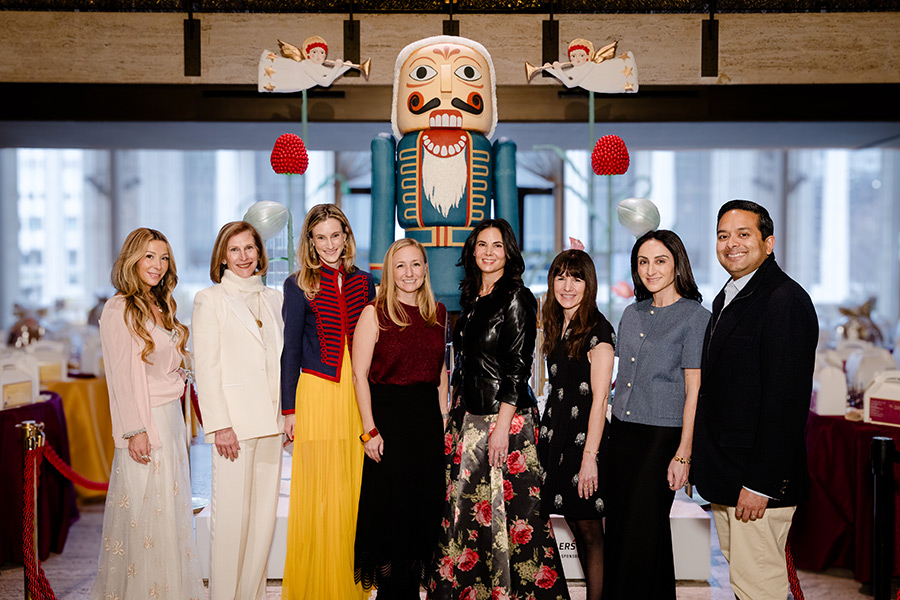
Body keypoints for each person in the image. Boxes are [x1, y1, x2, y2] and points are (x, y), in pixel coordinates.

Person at [427, 219, 570, 600]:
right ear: (472, 251)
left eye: (497, 245)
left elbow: (517, 367)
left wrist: (502, 427)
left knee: (513, 515)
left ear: (509, 252)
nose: (489, 252)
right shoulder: (473, 297)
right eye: (482, 245)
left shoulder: (517, 297)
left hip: (505, 418)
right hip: (468, 417)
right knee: (469, 513)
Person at [692, 200, 818, 600]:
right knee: (747, 582)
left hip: (757, 483)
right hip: (729, 475)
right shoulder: (729, 295)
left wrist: (761, 483)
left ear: (769, 242)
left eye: (744, 234)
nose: (732, 244)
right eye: (723, 235)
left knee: (759, 587)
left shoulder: (785, 300)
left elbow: (787, 402)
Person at [90, 228, 203, 600]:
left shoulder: (161, 304)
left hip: (170, 419)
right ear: (133, 259)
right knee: (143, 516)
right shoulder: (118, 307)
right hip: (144, 420)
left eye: (164, 257)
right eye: (149, 256)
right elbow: (122, 378)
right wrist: (135, 429)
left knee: (167, 516)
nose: (157, 265)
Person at [603, 230, 710, 600]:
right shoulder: (632, 314)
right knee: (621, 531)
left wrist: (684, 453)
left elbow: (695, 390)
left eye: (660, 260)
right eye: (643, 261)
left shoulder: (696, 317)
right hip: (622, 433)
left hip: (661, 437)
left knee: (640, 532)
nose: (650, 270)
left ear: (677, 263)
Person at [280, 203, 375, 600]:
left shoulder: (367, 282)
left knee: (352, 489)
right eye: (321, 237)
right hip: (316, 393)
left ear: (346, 238)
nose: (329, 244)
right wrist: (289, 409)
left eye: (336, 235)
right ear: (310, 241)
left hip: (355, 394)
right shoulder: (297, 284)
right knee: (318, 491)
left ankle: (348, 582)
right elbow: (290, 351)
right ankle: (316, 585)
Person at [352, 238, 449, 599]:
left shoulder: (437, 313)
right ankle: (393, 593)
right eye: (400, 265)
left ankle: (410, 589)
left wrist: (443, 421)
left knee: (423, 511)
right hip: (388, 425)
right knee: (392, 512)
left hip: (426, 424)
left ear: (425, 269)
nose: (409, 273)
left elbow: (441, 374)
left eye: (415, 265)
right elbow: (359, 374)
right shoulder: (373, 312)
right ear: (390, 272)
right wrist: (369, 431)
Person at [192, 221, 284, 600]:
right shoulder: (209, 299)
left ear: (260, 253)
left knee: (262, 524)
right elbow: (206, 368)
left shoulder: (274, 298)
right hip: (235, 426)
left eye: (250, 248)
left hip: (272, 424)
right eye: (235, 250)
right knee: (231, 523)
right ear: (222, 256)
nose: (244, 257)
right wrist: (220, 425)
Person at [537, 250, 615, 600]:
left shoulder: (599, 330)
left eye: (576, 278)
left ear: (589, 284)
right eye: (561, 276)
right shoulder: (556, 323)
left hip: (585, 442)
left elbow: (600, 400)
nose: (567, 286)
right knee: (572, 522)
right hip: (556, 438)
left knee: (590, 532)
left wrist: (589, 458)